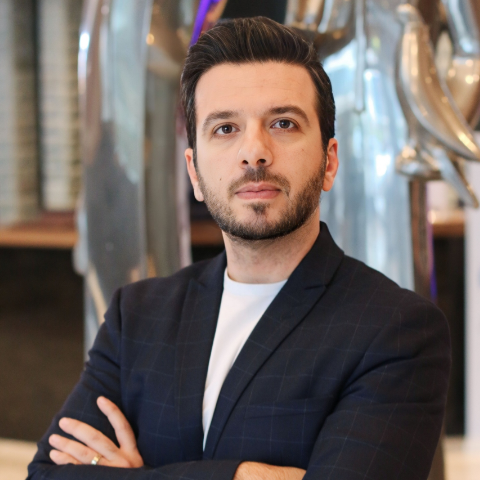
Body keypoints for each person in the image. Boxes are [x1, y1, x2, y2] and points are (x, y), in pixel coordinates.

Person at [28, 16, 450, 480]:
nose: (255, 152)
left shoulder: (396, 331)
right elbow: (46, 475)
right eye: (226, 128)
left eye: (283, 123)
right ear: (194, 173)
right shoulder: (139, 316)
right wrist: (241, 475)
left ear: (329, 162)